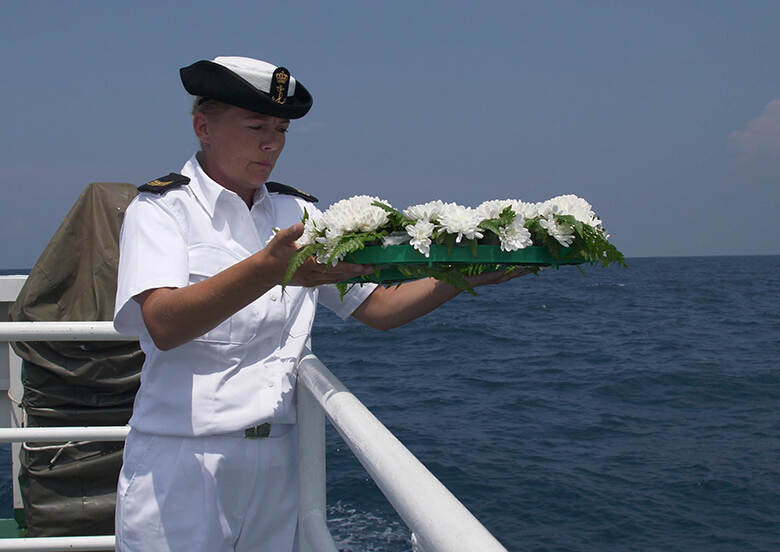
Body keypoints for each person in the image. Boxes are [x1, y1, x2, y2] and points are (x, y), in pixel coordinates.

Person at [113, 55, 524, 551]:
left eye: (281, 129)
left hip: (278, 462)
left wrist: (460, 277)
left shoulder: (298, 211)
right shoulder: (160, 211)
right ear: (203, 126)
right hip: (182, 463)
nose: (272, 143)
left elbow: (376, 309)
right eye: (255, 126)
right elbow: (162, 323)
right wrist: (269, 267)